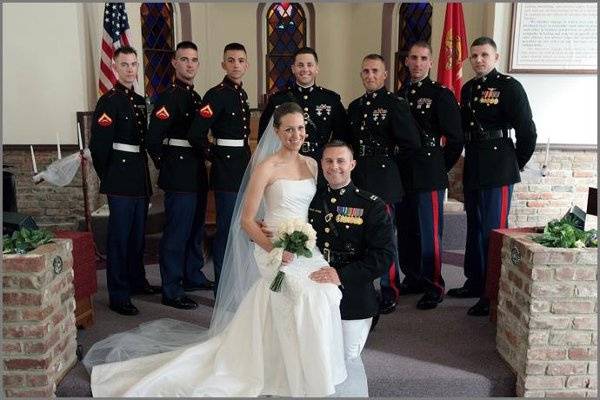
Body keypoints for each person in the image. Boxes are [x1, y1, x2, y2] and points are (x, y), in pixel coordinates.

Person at [87, 102, 349, 397]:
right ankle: (284, 370)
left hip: (303, 246)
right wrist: (274, 247)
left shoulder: (312, 164)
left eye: (300, 128)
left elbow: (315, 208)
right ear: (276, 132)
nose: (296, 134)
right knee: (301, 292)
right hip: (271, 247)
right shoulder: (266, 167)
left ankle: (312, 369)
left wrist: (306, 241)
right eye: (288, 129)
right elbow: (247, 221)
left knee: (326, 290)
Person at [447, 36, 537, 316]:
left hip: (498, 167)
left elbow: (527, 132)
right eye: (474, 56)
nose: (478, 60)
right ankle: (474, 281)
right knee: (474, 227)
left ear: (495, 57)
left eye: (484, 55)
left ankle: (491, 292)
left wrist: (512, 165)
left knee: (492, 232)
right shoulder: (469, 88)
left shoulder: (509, 87)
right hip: (474, 163)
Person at [308, 141, 395, 386]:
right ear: (321, 164)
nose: (334, 166)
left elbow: (383, 256)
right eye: (328, 161)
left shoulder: (371, 205)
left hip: (353, 296)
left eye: (340, 161)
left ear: (352, 164)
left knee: (347, 361)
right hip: (313, 289)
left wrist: (341, 275)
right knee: (314, 357)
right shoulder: (311, 199)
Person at [345, 54, 421, 314]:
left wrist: (391, 165)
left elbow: (412, 143)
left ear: (385, 74)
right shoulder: (354, 107)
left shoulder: (394, 104)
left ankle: (390, 289)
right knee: (357, 236)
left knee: (384, 238)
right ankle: (363, 286)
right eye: (365, 71)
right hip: (359, 177)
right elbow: (347, 144)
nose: (370, 76)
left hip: (384, 178)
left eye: (375, 71)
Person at [89, 46, 159, 316]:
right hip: (119, 178)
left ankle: (137, 280)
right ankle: (118, 294)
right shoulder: (109, 101)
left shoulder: (140, 100)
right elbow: (99, 147)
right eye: (124, 65)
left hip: (139, 178)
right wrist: (109, 176)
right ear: (115, 68)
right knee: (119, 238)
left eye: (133, 64)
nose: (130, 69)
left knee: (136, 236)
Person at [396, 41, 464, 310]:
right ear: (406, 61)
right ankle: (412, 276)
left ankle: (434, 284)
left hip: (428, 172)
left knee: (428, 232)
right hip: (403, 172)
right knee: (407, 230)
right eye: (413, 58)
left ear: (430, 62)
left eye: (423, 58)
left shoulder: (440, 94)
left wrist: (439, 167)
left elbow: (456, 139)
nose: (417, 63)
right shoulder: (400, 94)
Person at [147, 41, 213, 311]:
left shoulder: (196, 98)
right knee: (176, 234)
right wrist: (168, 165)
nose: (189, 64)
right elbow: (153, 140)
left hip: (196, 174)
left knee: (194, 231)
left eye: (194, 60)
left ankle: (192, 275)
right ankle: (171, 289)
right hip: (179, 176)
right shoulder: (168, 97)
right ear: (174, 63)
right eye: (184, 59)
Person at [188, 42, 251, 294]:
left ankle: (236, 282)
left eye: (240, 60)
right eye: (231, 60)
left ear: (246, 64)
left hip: (243, 166)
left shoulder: (241, 94)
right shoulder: (216, 94)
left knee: (241, 227)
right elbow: (196, 133)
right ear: (223, 64)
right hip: (226, 171)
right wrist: (217, 157)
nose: (236, 65)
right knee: (225, 230)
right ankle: (222, 289)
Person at [258, 47, 347, 172]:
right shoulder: (278, 100)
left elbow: (341, 135)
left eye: (309, 65)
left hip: (320, 163)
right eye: (300, 65)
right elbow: (264, 134)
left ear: (317, 69)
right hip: (286, 162)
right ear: (293, 69)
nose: (305, 69)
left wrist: (331, 159)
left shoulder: (331, 99)